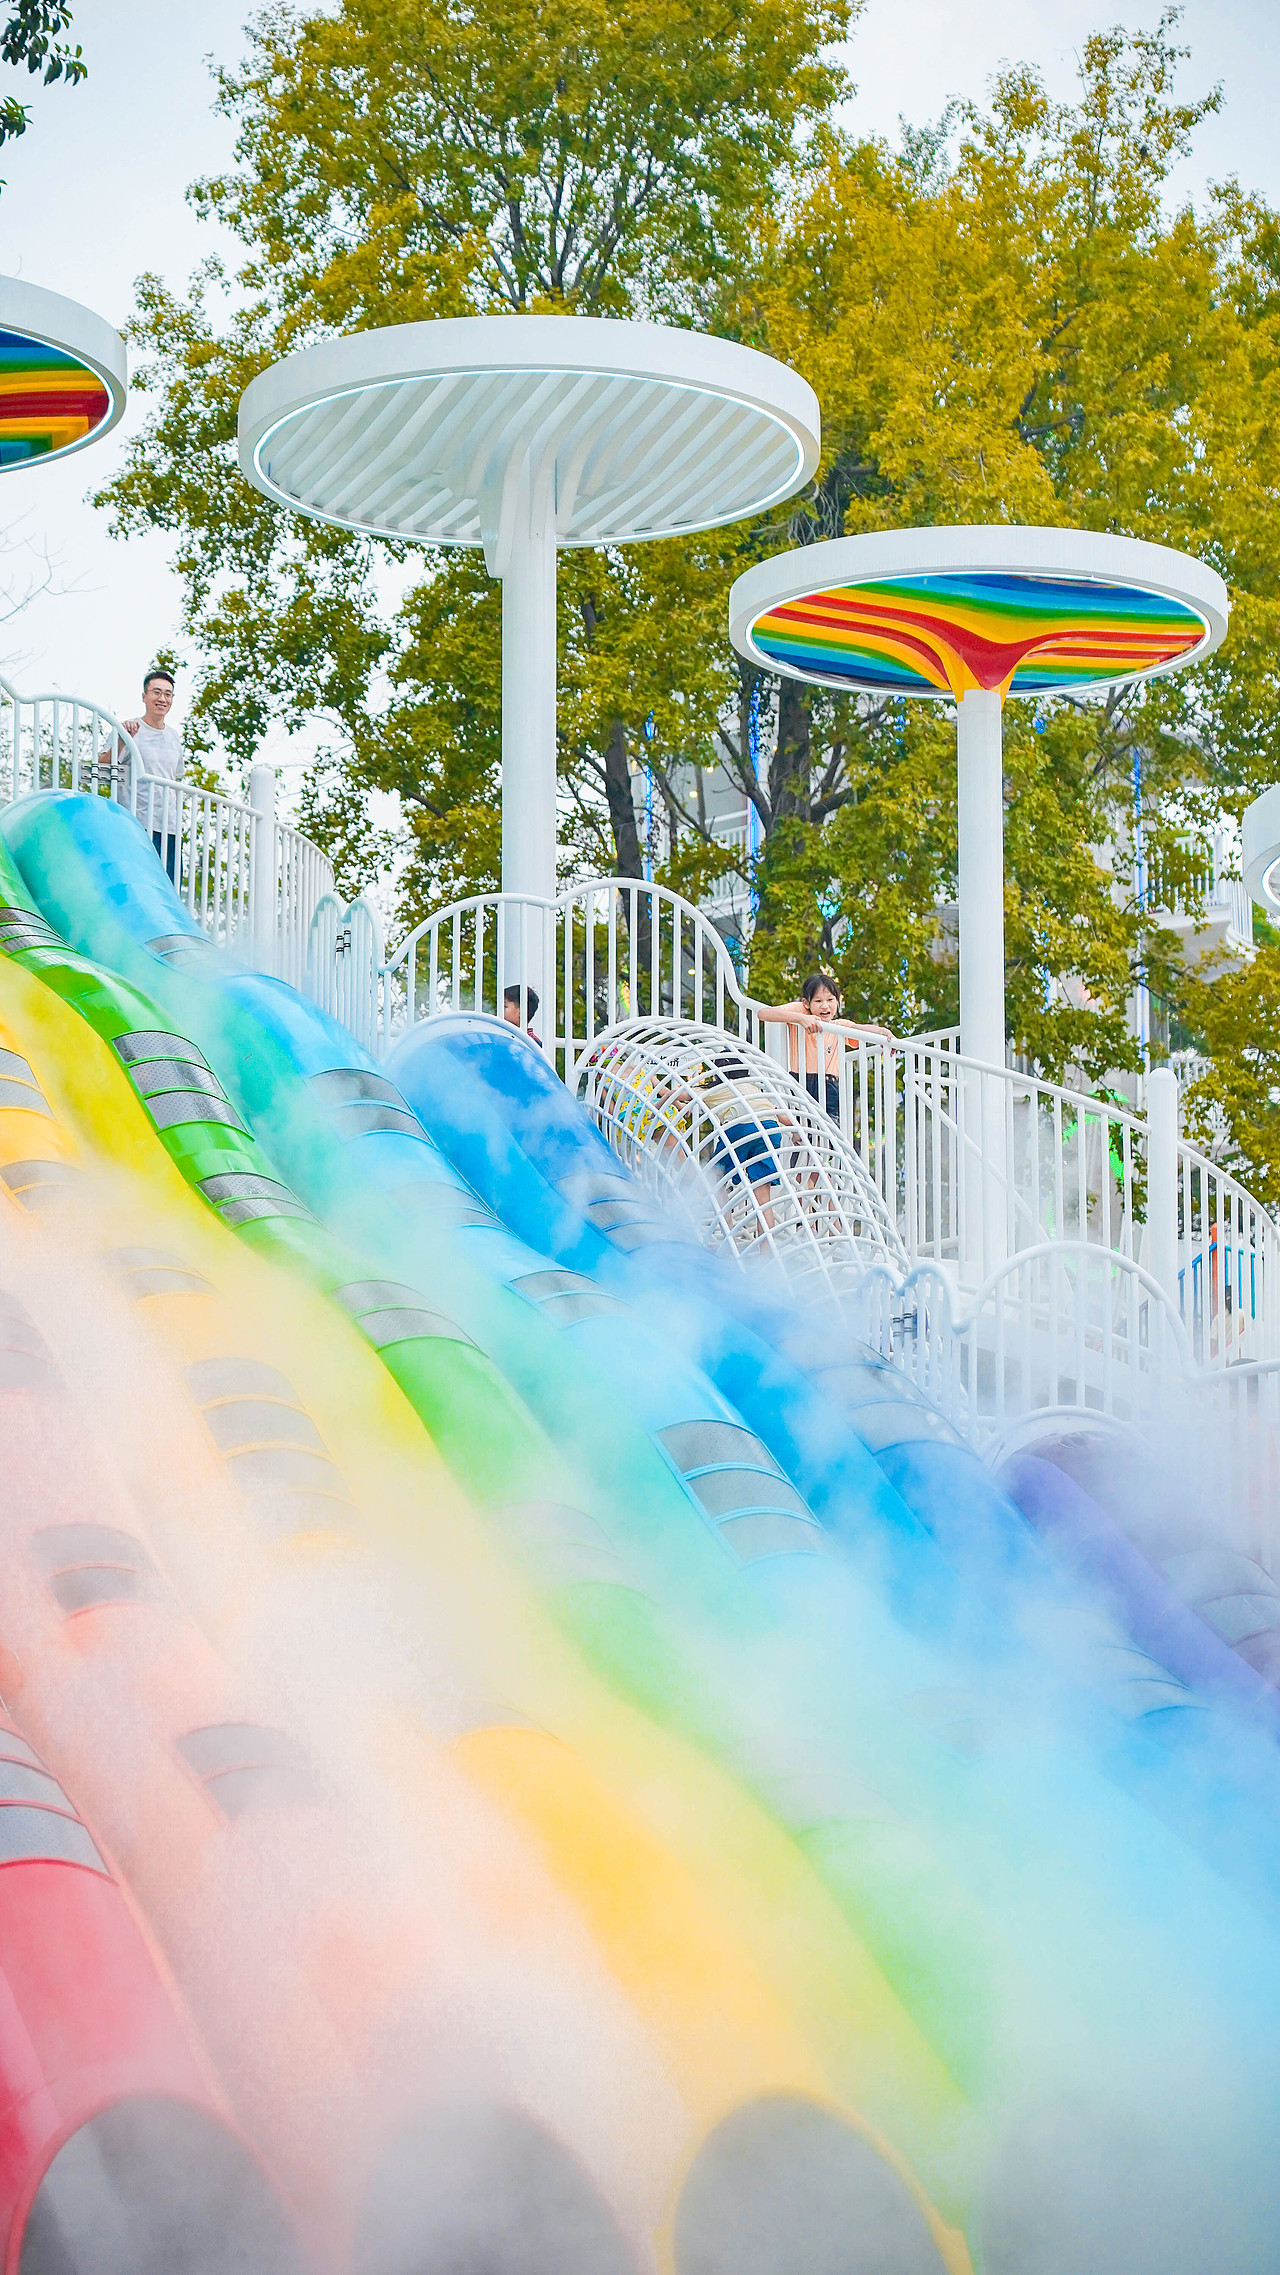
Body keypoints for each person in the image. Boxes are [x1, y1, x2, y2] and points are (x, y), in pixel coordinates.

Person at [756, 972, 893, 1121]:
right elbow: (763, 1013)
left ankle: (784, 1117)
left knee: (828, 1131)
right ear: (807, 1003)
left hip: (828, 1085)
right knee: (802, 1130)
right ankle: (781, 1117)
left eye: (830, 1000)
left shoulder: (838, 1026)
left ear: (837, 1002)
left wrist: (881, 1031)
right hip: (800, 1081)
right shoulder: (800, 1013)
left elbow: (859, 1029)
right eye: (818, 1001)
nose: (825, 1006)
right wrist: (801, 1018)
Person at [100, 668, 185, 881]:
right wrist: (123, 738)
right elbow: (102, 765)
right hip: (136, 822)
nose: (162, 699)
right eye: (156, 692)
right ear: (144, 696)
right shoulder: (130, 728)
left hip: (168, 827)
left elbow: (175, 780)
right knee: (136, 881)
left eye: (168, 694)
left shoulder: (174, 737)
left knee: (169, 886)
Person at [501, 982, 541, 1047]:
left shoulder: (531, 1043)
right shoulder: (500, 1035)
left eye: (505, 1006)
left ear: (521, 1012)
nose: (499, 1010)